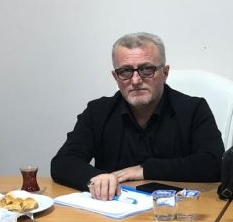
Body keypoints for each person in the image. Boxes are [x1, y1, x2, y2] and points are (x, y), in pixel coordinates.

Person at [51, 32, 223, 197]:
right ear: (115, 76)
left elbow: (213, 164)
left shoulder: (194, 109)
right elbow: (63, 162)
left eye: (147, 69)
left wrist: (145, 170)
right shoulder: (97, 112)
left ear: (165, 73)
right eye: (125, 71)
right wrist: (96, 179)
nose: (135, 80)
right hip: (114, 209)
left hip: (174, 210)